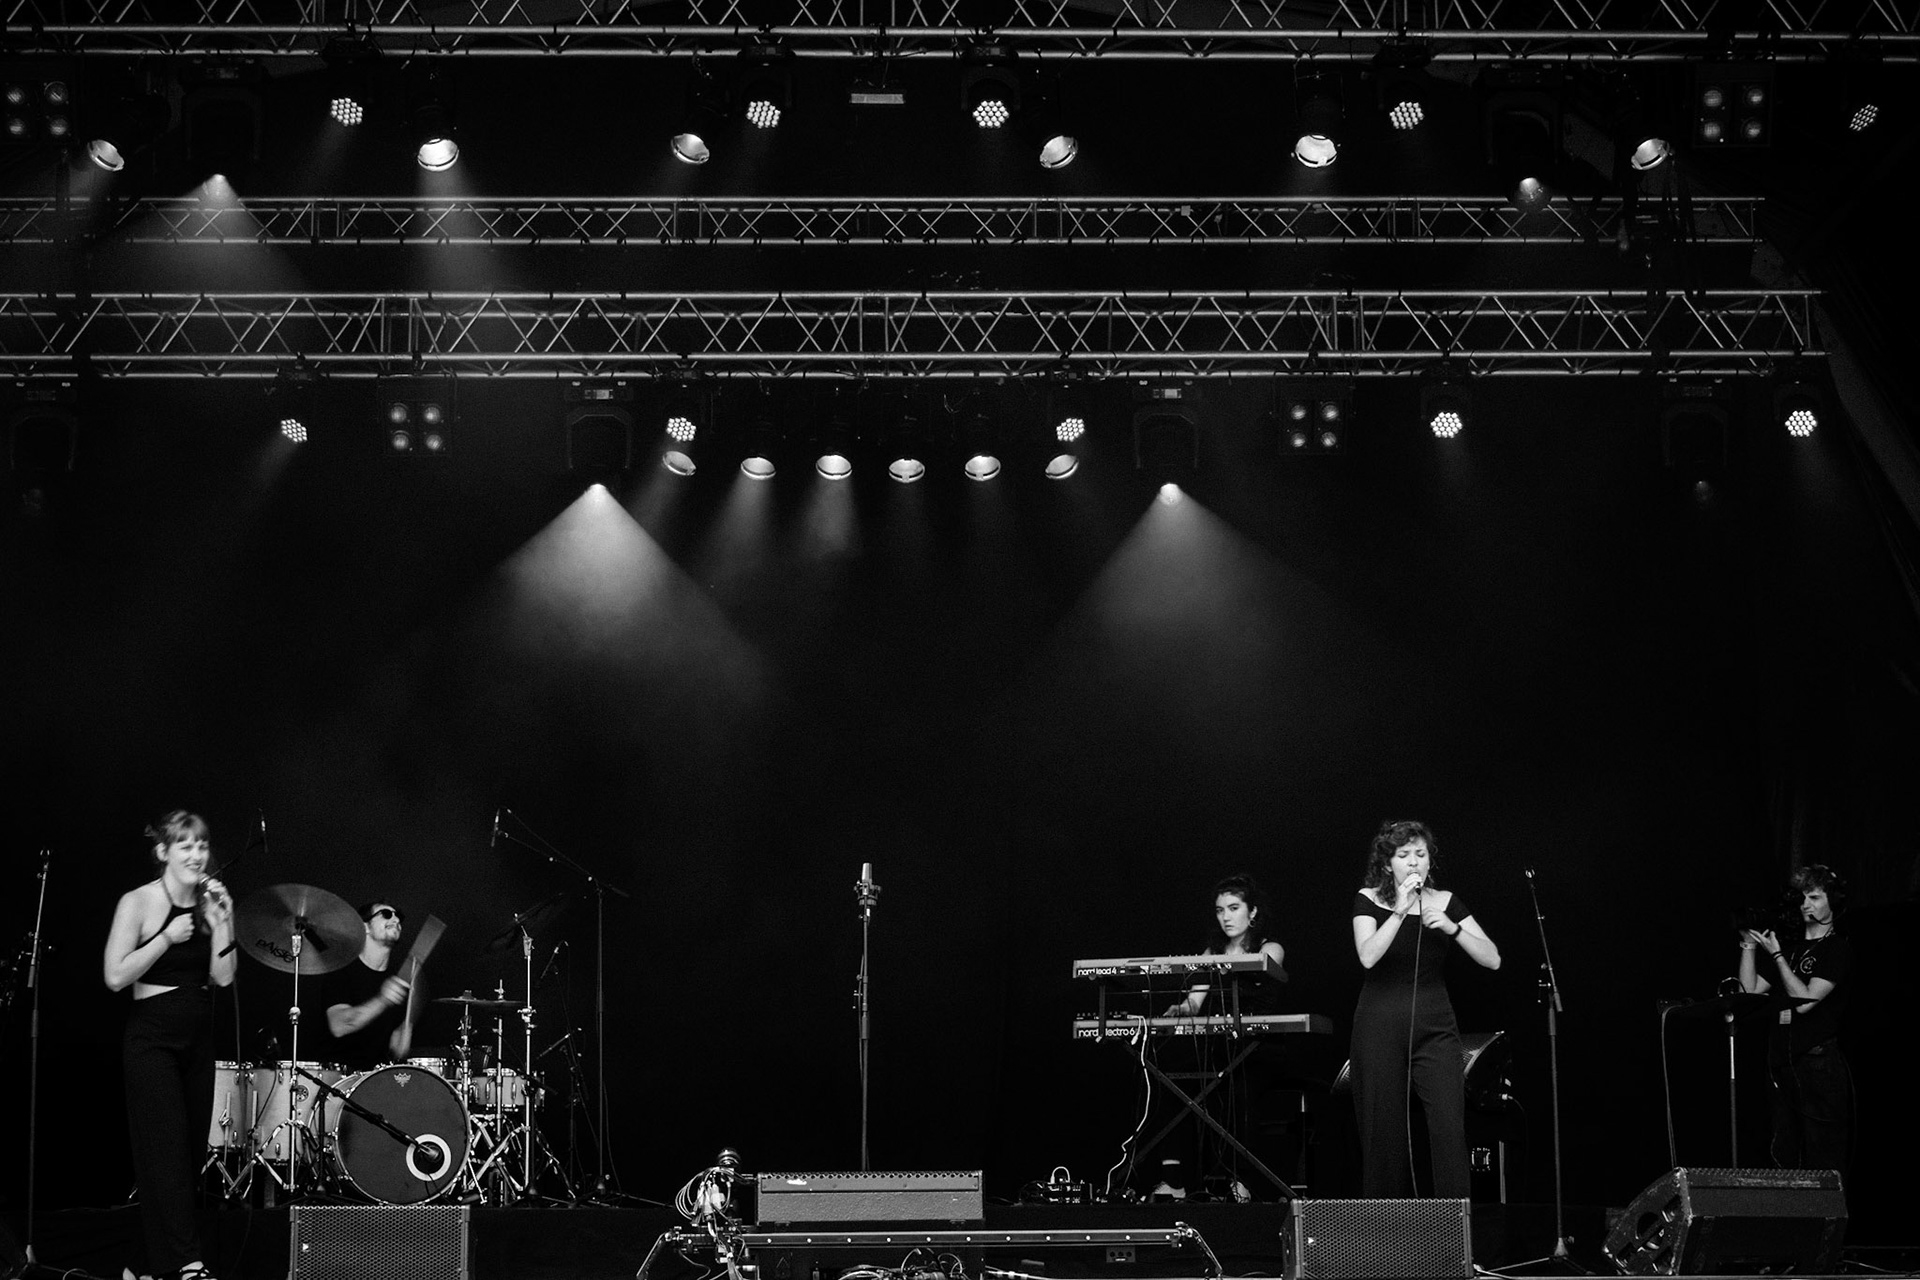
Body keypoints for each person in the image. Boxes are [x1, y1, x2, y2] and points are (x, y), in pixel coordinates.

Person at [102, 810, 236, 1280]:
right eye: (186, 846)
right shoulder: (137, 902)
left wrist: (225, 921)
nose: (198, 855)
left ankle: (139, 1265)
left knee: (190, 1156)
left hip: (197, 1039)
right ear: (163, 853)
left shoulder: (209, 903)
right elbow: (115, 976)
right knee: (165, 1154)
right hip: (152, 1040)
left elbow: (224, 975)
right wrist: (164, 939)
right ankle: (188, 1264)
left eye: (201, 846)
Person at [1349, 819, 1499, 1198]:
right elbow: (1367, 956)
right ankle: (1385, 1228)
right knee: (1383, 1132)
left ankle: (1453, 1229)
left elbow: (1493, 959)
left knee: (1449, 1127)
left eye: (1421, 854)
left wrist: (1453, 929)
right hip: (1379, 1025)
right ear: (1388, 864)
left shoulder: (1446, 901)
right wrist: (1399, 911)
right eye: (1404, 855)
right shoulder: (1368, 899)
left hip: (1435, 1026)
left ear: (1430, 860)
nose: (1414, 862)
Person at [1149, 875, 1290, 1200]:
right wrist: (1180, 1009)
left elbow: (1259, 973)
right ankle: (1175, 1180)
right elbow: (1195, 1001)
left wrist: (1217, 965)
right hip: (1222, 1047)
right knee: (1171, 1079)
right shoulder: (1213, 951)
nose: (1226, 916)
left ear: (1252, 912)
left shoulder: (1270, 946)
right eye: (1220, 909)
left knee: (1239, 1086)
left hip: (1258, 1047)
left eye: (1234, 907)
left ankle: (1245, 1181)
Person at [1738, 864, 1852, 1177]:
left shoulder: (1836, 949)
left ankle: (1825, 1221)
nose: (1806, 904)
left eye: (1814, 897)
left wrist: (1775, 957)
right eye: (1803, 898)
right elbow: (1750, 990)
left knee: (1822, 1154)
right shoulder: (1789, 950)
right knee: (1783, 1152)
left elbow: (1804, 1002)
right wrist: (1748, 944)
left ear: (1833, 902)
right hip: (1782, 1063)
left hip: (1818, 1063)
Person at [323, 902, 414, 1071]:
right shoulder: (340, 971)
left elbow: (397, 1050)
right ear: (365, 927)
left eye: (398, 916)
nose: (395, 919)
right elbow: (339, 1026)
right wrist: (383, 1000)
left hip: (376, 1080)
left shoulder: (397, 981)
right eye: (386, 914)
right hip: (336, 1079)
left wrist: (405, 1033)